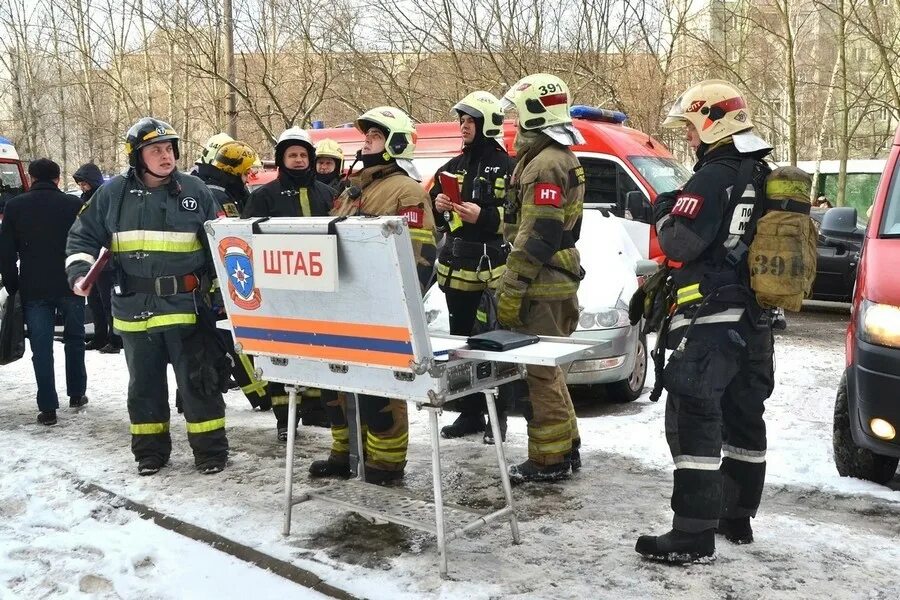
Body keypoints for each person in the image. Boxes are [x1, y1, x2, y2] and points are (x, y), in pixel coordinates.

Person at [635, 80, 776, 563]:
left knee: (693, 417)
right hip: (754, 323)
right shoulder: (763, 172)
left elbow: (680, 244)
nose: (689, 139)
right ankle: (736, 519)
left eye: (691, 129)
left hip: (712, 322)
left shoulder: (713, 176)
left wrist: (662, 212)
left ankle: (692, 534)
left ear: (710, 123)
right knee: (743, 417)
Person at [66, 117, 229, 476]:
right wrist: (80, 273)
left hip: (187, 307)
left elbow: (224, 244)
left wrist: (223, 294)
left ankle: (210, 452)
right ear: (137, 157)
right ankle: (150, 453)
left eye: (169, 148)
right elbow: (81, 238)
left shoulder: (196, 190)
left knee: (199, 383)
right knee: (144, 388)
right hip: (134, 310)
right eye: (155, 150)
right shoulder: (111, 194)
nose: (165, 155)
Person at [312, 106, 437, 484]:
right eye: (366, 137)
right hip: (344, 305)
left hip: (382, 310)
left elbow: (420, 256)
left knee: (380, 393)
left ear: (395, 144)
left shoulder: (406, 191)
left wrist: (399, 305)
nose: (365, 143)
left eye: (374, 137)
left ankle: (385, 463)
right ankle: (344, 451)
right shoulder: (356, 187)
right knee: (336, 384)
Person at [496, 74, 586, 484]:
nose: (513, 123)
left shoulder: (545, 163)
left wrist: (512, 286)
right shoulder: (559, 156)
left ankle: (548, 460)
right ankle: (566, 447)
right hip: (557, 279)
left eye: (517, 113)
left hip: (541, 285)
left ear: (535, 113)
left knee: (539, 375)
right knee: (552, 373)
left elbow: (538, 234)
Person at [429, 91, 514, 443]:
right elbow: (437, 217)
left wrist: (487, 216)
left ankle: (500, 418)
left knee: (493, 344)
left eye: (469, 121)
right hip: (456, 268)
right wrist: (439, 203)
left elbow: (518, 215)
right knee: (462, 346)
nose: (463, 127)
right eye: (461, 121)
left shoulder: (509, 167)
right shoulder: (452, 167)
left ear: (486, 124)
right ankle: (470, 412)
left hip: (492, 269)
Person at [242, 127, 336, 439]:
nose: (298, 160)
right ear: (282, 159)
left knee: (318, 350)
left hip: (321, 291)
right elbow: (247, 241)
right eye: (291, 155)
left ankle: (314, 410)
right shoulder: (263, 197)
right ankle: (285, 418)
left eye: (302, 155)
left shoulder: (327, 194)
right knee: (281, 354)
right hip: (280, 292)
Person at [0, 158, 88, 425]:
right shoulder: (74, 205)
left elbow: (5, 251)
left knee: (41, 346)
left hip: (33, 286)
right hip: (70, 283)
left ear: (32, 178)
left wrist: (12, 283)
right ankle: (77, 392)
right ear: (58, 179)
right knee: (75, 339)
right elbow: (86, 241)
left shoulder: (15, 206)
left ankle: (48, 407)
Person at [192, 140, 273, 412]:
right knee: (235, 340)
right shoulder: (221, 196)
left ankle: (190, 394)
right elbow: (235, 238)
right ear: (230, 171)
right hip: (223, 284)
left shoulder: (208, 187)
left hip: (215, 283)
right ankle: (261, 394)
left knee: (209, 344)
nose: (247, 178)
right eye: (244, 173)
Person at [74, 163, 121, 354]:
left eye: (84, 183)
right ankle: (100, 336)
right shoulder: (85, 200)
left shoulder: (105, 198)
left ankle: (115, 339)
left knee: (107, 301)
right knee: (94, 299)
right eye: (80, 184)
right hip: (91, 256)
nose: (82, 187)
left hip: (105, 258)